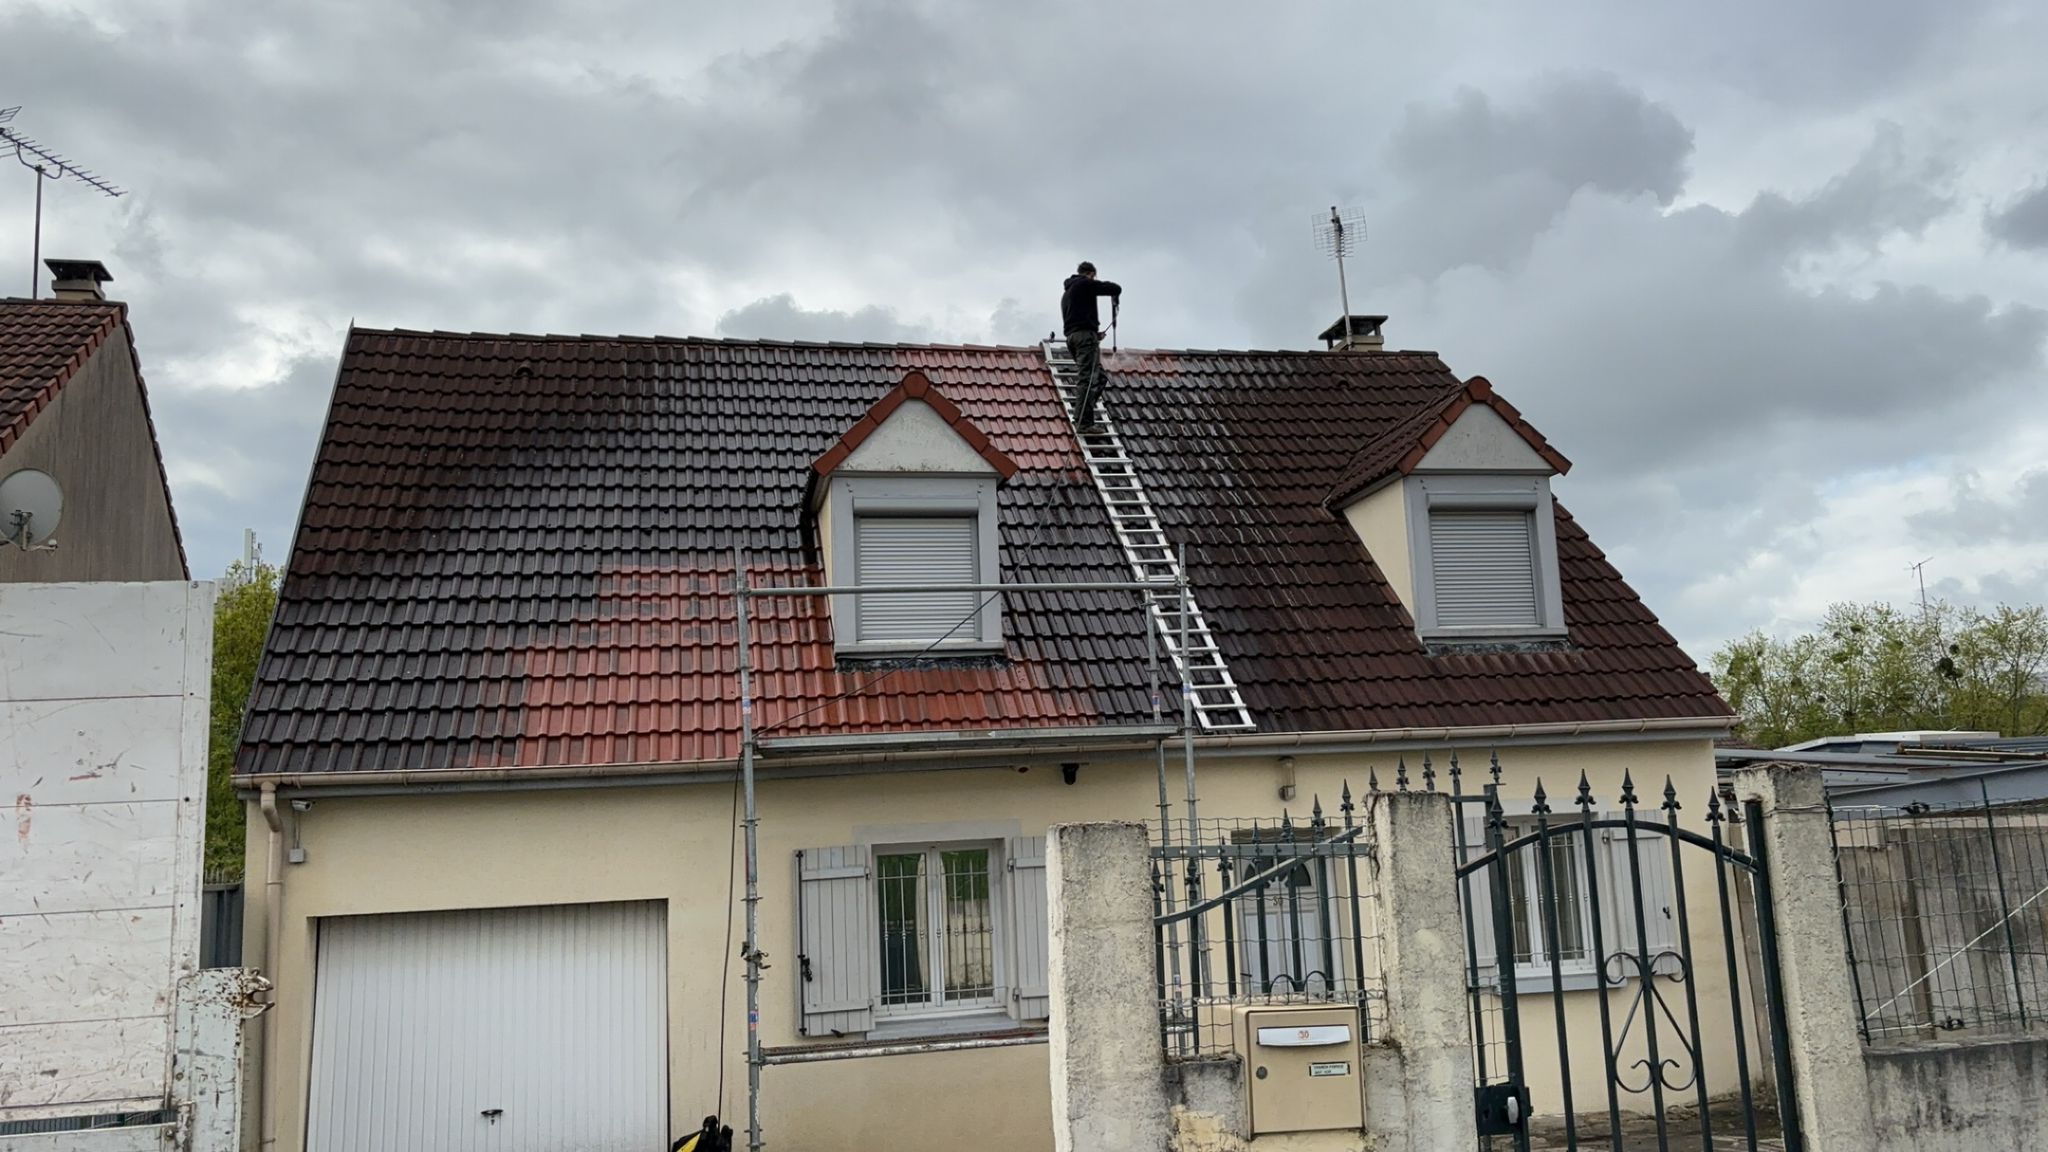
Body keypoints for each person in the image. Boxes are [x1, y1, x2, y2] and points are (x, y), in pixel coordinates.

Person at [1061, 261, 1121, 431]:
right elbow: (1113, 288)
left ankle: (1082, 412)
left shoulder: (1068, 293)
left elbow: (1077, 321)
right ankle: (1083, 422)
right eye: (1094, 277)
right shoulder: (1084, 284)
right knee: (1088, 379)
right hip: (1084, 338)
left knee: (1098, 377)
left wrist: (1094, 334)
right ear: (1091, 274)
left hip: (1073, 338)